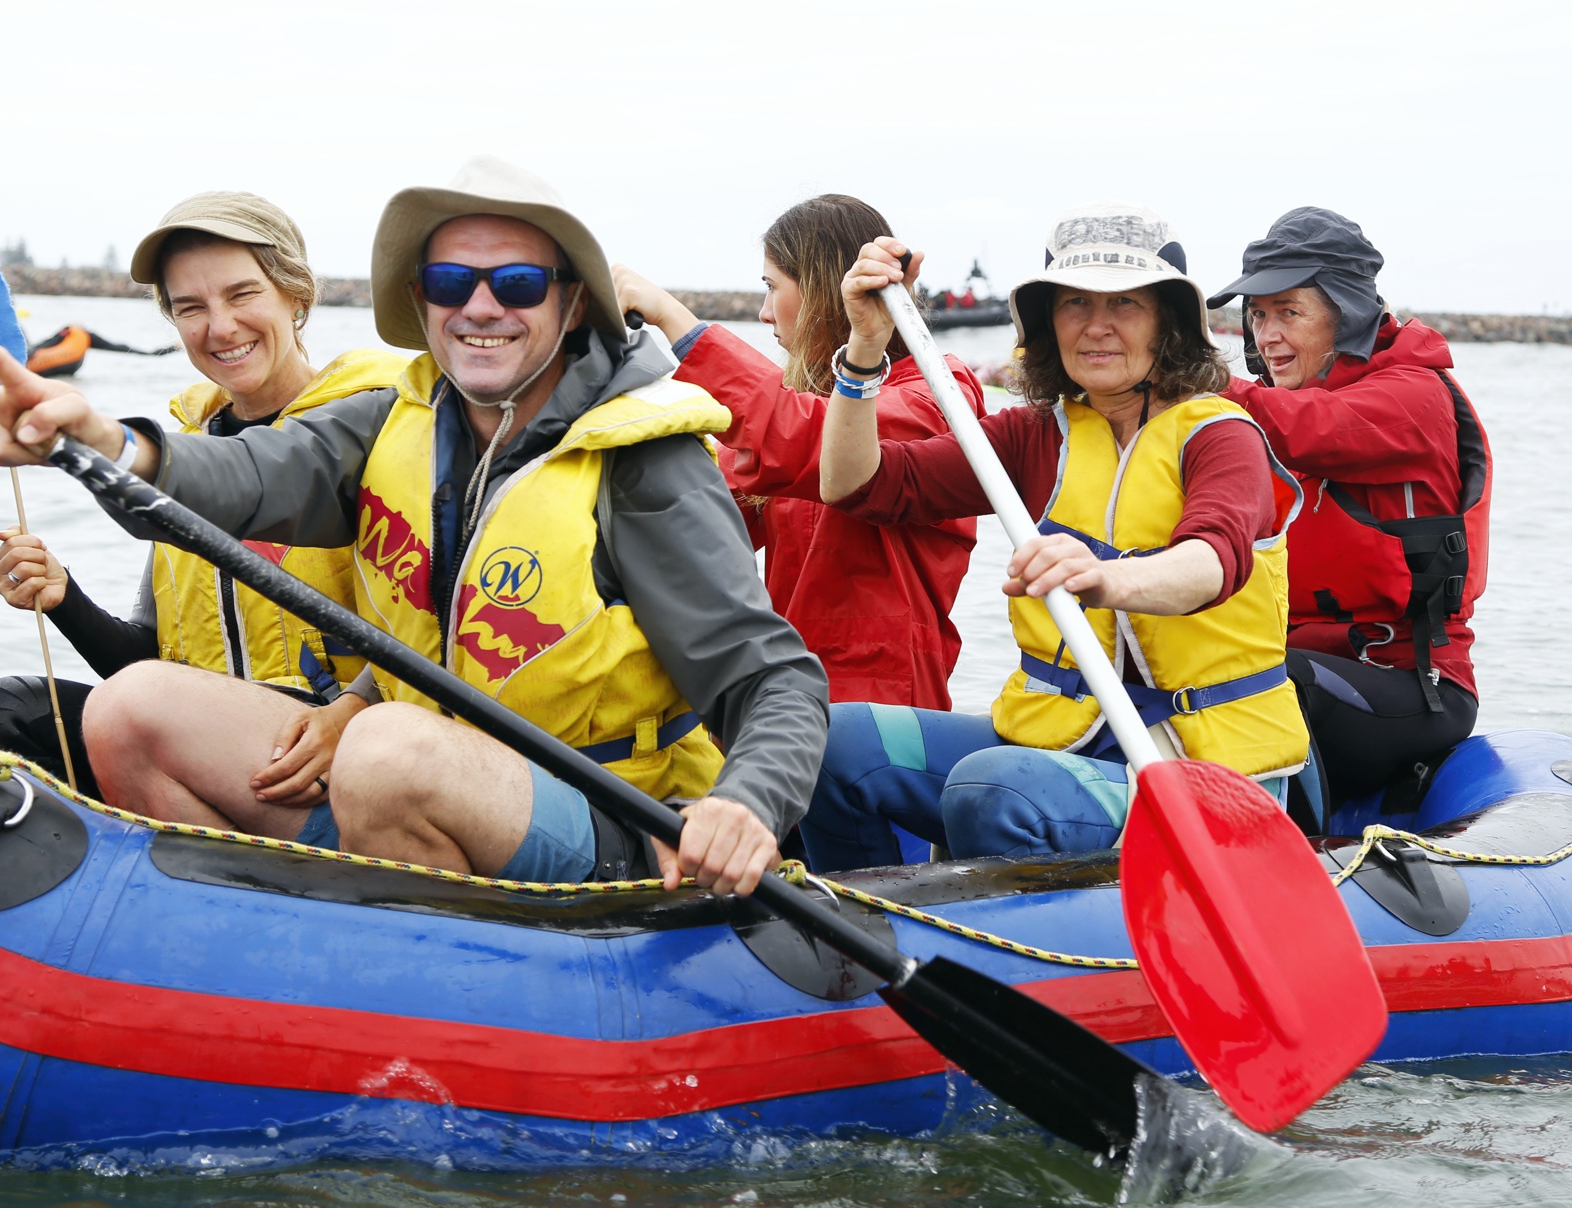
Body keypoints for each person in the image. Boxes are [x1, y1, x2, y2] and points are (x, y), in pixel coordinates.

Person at [0, 157, 828, 898]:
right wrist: (102, 441)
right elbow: (236, 477)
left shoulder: (646, 463)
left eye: (514, 282)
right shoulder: (391, 421)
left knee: (384, 752)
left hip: (614, 825)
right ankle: (234, 946)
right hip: (408, 787)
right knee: (130, 709)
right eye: (447, 281)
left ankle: (443, 1010)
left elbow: (774, 679)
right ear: (421, 301)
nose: (479, 307)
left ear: (572, 302)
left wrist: (745, 805)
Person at [804, 204, 1312, 868]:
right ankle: (861, 937)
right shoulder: (1033, 434)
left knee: (992, 790)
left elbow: (1210, 562)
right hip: (1062, 742)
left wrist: (1103, 577)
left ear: (1168, 324)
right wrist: (864, 349)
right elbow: (856, 484)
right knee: (827, 742)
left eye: (1125, 304)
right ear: (1047, 321)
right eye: (1075, 302)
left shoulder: (1221, 434)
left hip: (1203, 768)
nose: (1096, 327)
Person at [0, 192, 405, 803]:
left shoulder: (381, 426)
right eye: (190, 307)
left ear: (296, 295)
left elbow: (440, 633)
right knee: (6, 712)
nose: (219, 328)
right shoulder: (187, 453)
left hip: (329, 742)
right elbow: (143, 669)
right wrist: (65, 600)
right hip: (194, 733)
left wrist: (353, 712)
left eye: (243, 295)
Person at [611, 194, 984, 710]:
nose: (764, 314)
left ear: (828, 293)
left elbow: (808, 440)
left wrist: (678, 324)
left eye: (771, 288)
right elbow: (697, 517)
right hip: (786, 694)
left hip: (880, 713)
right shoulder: (806, 409)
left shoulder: (936, 397)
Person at [1209, 207, 1490, 815]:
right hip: (1304, 660)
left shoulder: (1414, 396)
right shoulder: (1274, 406)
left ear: (1348, 312)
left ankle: (1279, 850)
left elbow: (1312, 431)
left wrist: (1189, 377)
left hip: (1413, 687)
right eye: (1257, 315)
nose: (1266, 336)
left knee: (1267, 679)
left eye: (1289, 312)